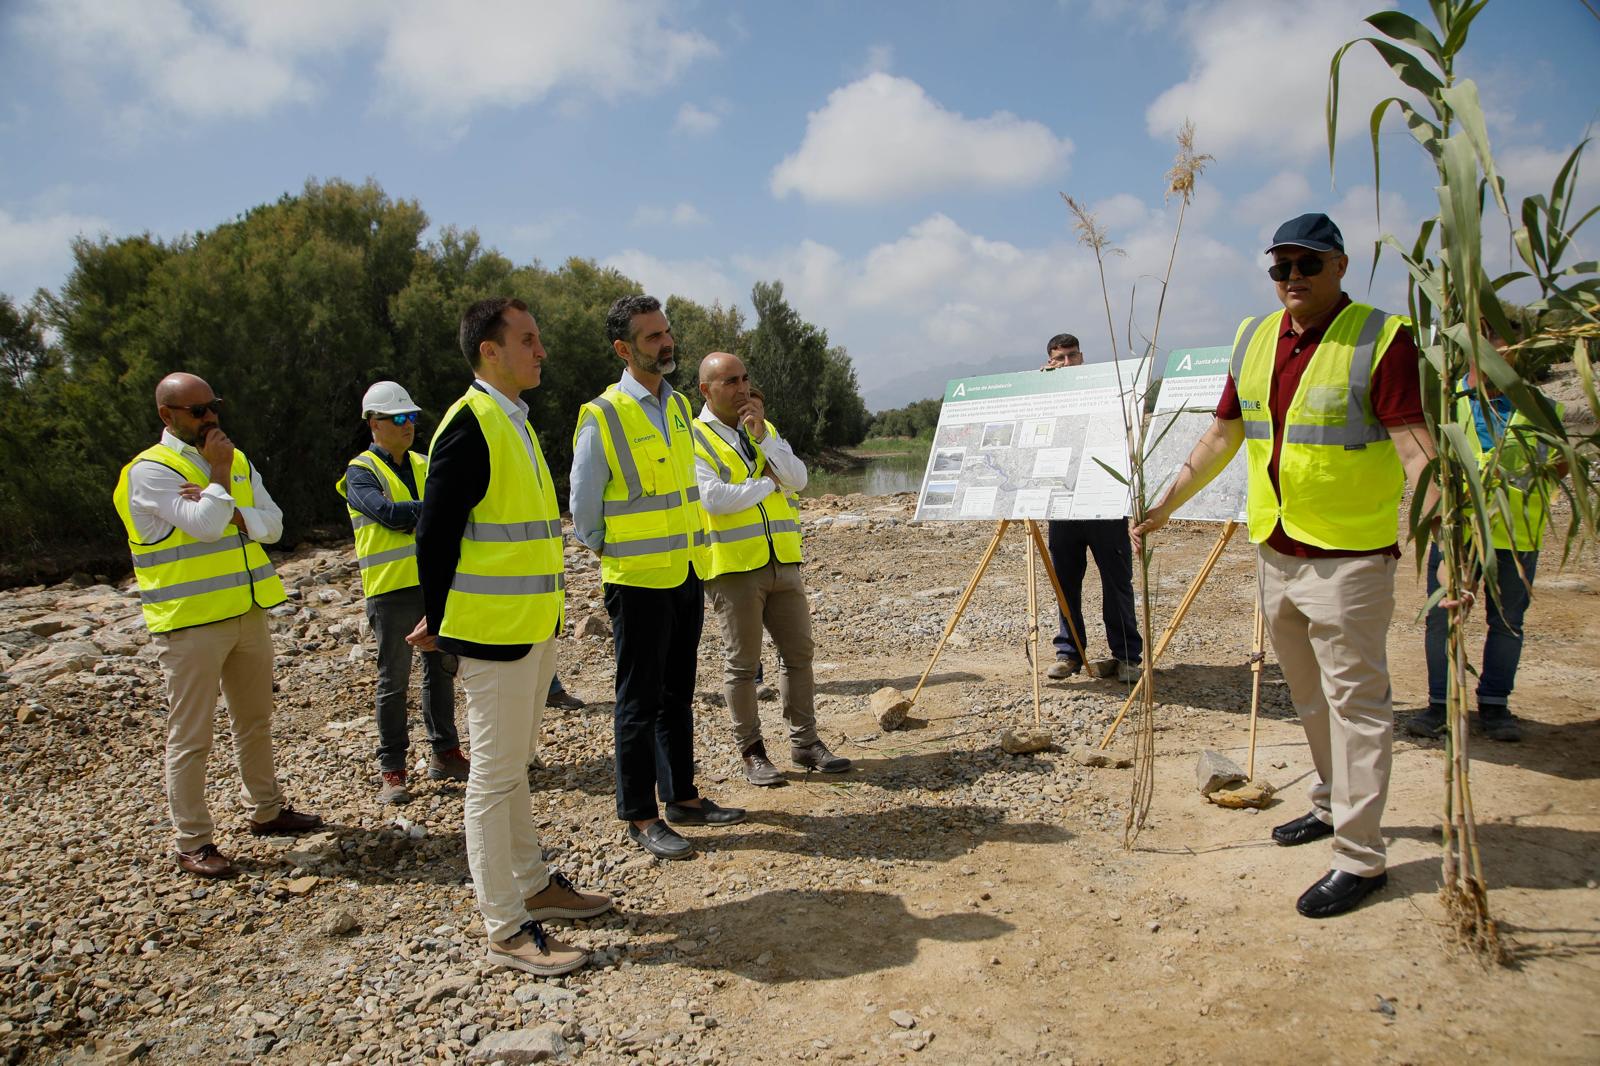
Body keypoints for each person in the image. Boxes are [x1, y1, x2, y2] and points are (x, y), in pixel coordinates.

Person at [1132, 213, 1439, 919]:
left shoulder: (1382, 339)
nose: (1292, 278)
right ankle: (1331, 807)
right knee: (1306, 698)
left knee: (1359, 707)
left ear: (1339, 267)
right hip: (1276, 548)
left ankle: (1362, 859)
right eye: (1281, 267)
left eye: (1307, 264)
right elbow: (1221, 435)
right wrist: (1164, 504)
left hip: (1350, 558)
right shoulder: (1256, 336)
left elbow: (1414, 445)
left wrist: (1447, 539)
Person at [410, 297, 610, 977]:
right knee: (492, 780)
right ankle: (505, 925)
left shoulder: (513, 420)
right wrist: (439, 620)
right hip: (490, 636)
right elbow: (433, 534)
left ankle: (532, 884)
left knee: (513, 769)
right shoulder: (470, 424)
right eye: (528, 340)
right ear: (489, 350)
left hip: (529, 627)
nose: (541, 350)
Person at [113, 373, 323, 878]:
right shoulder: (151, 471)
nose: (210, 419)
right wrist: (221, 480)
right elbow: (206, 526)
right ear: (167, 416)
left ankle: (267, 810)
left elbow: (273, 526)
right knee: (191, 735)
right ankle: (192, 841)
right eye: (197, 411)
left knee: (255, 720)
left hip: (247, 612)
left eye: (214, 407)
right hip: (189, 625)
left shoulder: (236, 459)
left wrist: (225, 502)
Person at [570, 294, 746, 860]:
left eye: (666, 333)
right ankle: (641, 814)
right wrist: (623, 552)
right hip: (637, 580)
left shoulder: (674, 408)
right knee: (637, 702)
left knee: (677, 695)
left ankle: (682, 797)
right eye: (652, 337)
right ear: (624, 348)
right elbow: (585, 514)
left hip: (685, 573)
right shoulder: (603, 415)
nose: (666, 343)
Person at [691, 351, 852, 787]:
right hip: (733, 567)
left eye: (745, 379)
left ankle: (805, 743)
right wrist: (765, 484)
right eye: (730, 382)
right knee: (742, 666)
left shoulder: (765, 429)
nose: (743, 389)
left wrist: (763, 440)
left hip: (783, 561)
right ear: (706, 390)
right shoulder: (693, 437)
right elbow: (715, 499)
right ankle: (752, 753)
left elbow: (798, 479)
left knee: (798, 655)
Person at [1409, 320, 1567, 743]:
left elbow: (1564, 458)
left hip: (1516, 536)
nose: (1493, 361)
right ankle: (1439, 706)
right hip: (1457, 530)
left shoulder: (1539, 406)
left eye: (1501, 350)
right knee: (1442, 620)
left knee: (1508, 623)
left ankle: (1495, 707)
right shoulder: (1446, 402)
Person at [336, 381, 466, 806]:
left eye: (412, 417)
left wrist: (428, 512)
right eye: (399, 419)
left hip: (433, 582)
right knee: (394, 681)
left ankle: (445, 753)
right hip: (390, 591)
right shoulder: (360, 471)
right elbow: (388, 515)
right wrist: (432, 510)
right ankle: (393, 768)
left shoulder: (426, 462)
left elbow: (456, 508)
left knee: (442, 669)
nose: (410, 425)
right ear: (375, 424)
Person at [1039, 333, 1144, 682]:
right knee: (1065, 582)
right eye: (1059, 359)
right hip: (1063, 505)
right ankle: (1070, 653)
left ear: (1082, 357)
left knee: (1117, 581)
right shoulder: (1045, 396)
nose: (1066, 363)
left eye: (1071, 357)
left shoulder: (1105, 390)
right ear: (1050, 362)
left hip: (1105, 501)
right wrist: (1039, 388)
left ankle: (1127, 656)